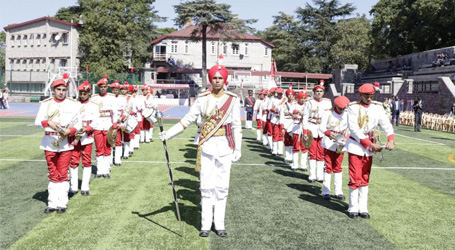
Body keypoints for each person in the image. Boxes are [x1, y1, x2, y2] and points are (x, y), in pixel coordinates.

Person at [159, 64, 242, 238]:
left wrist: (238, 148)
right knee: (206, 187)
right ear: (210, 80)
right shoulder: (203, 98)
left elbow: (236, 125)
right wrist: (169, 134)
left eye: (220, 78)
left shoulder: (232, 99)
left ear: (224, 80)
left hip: (226, 146)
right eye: (215, 78)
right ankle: (205, 224)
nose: (217, 81)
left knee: (222, 187)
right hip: (207, 146)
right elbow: (187, 120)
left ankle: (219, 224)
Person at [345, 83, 394, 219]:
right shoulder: (353, 108)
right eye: (366, 96)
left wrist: (390, 139)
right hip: (356, 145)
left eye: (371, 96)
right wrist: (369, 144)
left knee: (365, 176)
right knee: (355, 176)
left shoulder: (377, 108)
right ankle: (353, 207)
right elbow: (354, 129)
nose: (369, 98)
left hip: (369, 144)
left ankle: (363, 207)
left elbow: (386, 124)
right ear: (361, 95)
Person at [34, 77, 82, 213]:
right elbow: (37, 121)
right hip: (49, 143)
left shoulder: (73, 104)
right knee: (53, 173)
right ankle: (52, 203)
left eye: (64, 90)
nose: (61, 92)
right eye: (58, 89)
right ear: (53, 90)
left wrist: (69, 130)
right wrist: (48, 123)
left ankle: (62, 203)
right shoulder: (46, 104)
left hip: (65, 143)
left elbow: (78, 124)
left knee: (63, 173)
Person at [69, 81, 100, 196]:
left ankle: (85, 186)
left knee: (87, 161)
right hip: (75, 135)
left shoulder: (94, 106)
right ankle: (73, 186)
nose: (82, 95)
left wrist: (88, 128)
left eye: (85, 93)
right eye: (81, 93)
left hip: (87, 135)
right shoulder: (74, 104)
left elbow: (96, 121)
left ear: (88, 93)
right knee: (73, 160)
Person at [319, 96, 350, 201]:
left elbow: (350, 128)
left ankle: (338, 191)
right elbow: (322, 127)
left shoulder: (347, 114)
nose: (342, 110)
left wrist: (346, 138)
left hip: (341, 143)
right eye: (340, 108)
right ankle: (326, 191)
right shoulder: (328, 113)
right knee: (328, 166)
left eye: (343, 109)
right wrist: (328, 133)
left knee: (338, 167)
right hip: (329, 142)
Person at [303, 80, 332, 183]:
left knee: (321, 153)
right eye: (317, 91)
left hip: (323, 129)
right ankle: (312, 175)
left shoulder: (327, 102)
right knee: (312, 153)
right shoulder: (309, 102)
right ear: (314, 92)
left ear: (323, 93)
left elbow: (330, 117)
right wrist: (305, 131)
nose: (319, 93)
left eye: (320, 91)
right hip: (312, 127)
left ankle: (320, 176)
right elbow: (305, 117)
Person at [91, 75, 119, 178]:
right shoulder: (94, 98)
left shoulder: (111, 98)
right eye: (101, 86)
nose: (103, 88)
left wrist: (115, 126)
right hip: (97, 124)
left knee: (107, 147)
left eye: (104, 86)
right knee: (99, 148)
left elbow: (115, 112)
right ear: (98, 87)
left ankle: (106, 170)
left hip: (108, 124)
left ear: (107, 87)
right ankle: (99, 170)